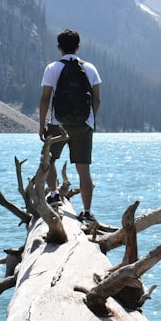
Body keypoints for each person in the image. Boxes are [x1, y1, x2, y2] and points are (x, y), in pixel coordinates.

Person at [38, 28, 102, 223]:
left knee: (49, 160)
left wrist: (43, 125)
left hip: (58, 124)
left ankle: (54, 194)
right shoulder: (90, 68)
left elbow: (45, 99)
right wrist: (90, 121)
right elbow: (97, 99)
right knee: (84, 169)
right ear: (78, 46)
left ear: (59, 48)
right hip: (84, 125)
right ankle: (88, 213)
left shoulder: (52, 68)